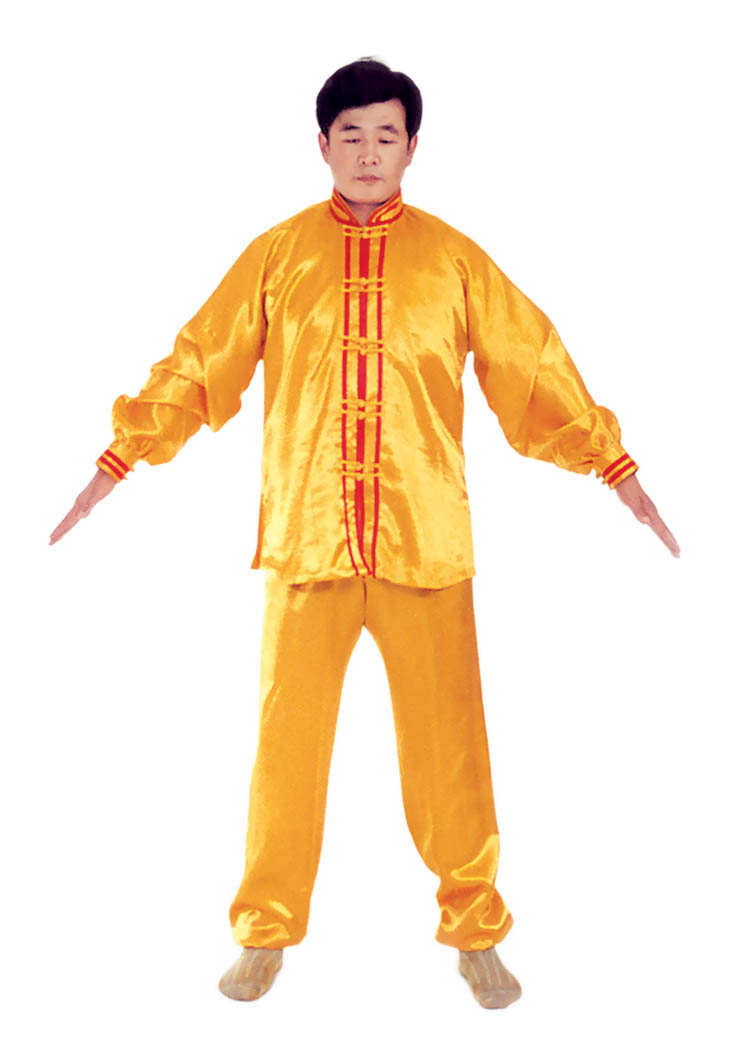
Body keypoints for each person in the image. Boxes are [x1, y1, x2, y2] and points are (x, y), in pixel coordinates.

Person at [49, 57, 680, 1010]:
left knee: (452, 750)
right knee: (285, 749)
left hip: (425, 543)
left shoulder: (455, 261)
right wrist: (120, 457)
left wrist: (613, 466)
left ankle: (476, 929)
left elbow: (533, 362)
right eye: (353, 134)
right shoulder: (278, 256)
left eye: (388, 135)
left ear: (413, 147)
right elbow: (200, 359)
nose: (371, 152)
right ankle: (264, 931)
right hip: (306, 545)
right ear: (322, 145)